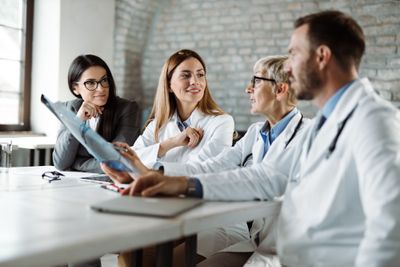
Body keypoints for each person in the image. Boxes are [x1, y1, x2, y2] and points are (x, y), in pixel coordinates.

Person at [107, 10, 400, 267]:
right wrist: (171, 181)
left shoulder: (375, 121)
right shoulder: (326, 122)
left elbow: (390, 226)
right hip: (282, 249)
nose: (288, 67)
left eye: (294, 54)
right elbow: (266, 176)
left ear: (321, 56)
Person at [104, 55, 308, 266]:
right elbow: (215, 166)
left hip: (285, 245)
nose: (248, 89)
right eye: (186, 75)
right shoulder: (257, 132)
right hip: (259, 239)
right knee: (132, 253)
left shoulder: (307, 136)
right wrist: (153, 173)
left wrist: (163, 177)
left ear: (280, 90)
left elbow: (262, 179)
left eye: (256, 81)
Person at [131, 49, 234, 170]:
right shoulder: (157, 124)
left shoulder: (222, 122)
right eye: (185, 75)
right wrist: (171, 143)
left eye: (200, 75)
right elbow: (130, 159)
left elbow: (204, 170)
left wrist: (153, 169)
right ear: (169, 85)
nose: (195, 82)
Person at [53, 54, 140, 173]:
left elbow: (117, 160)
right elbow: (60, 163)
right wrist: (77, 121)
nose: (101, 88)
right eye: (90, 83)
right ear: (75, 88)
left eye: (104, 80)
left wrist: (77, 164)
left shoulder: (127, 109)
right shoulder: (69, 108)